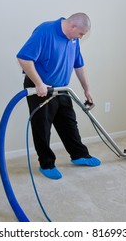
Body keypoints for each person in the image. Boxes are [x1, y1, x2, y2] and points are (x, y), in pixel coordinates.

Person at [16, 13, 101, 180]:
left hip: (62, 89)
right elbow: (24, 58)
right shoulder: (45, 31)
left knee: (69, 123)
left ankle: (79, 155)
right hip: (40, 88)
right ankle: (46, 164)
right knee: (42, 127)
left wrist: (87, 89)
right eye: (81, 34)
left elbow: (79, 65)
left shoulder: (73, 39)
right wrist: (39, 83)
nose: (81, 37)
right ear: (72, 27)